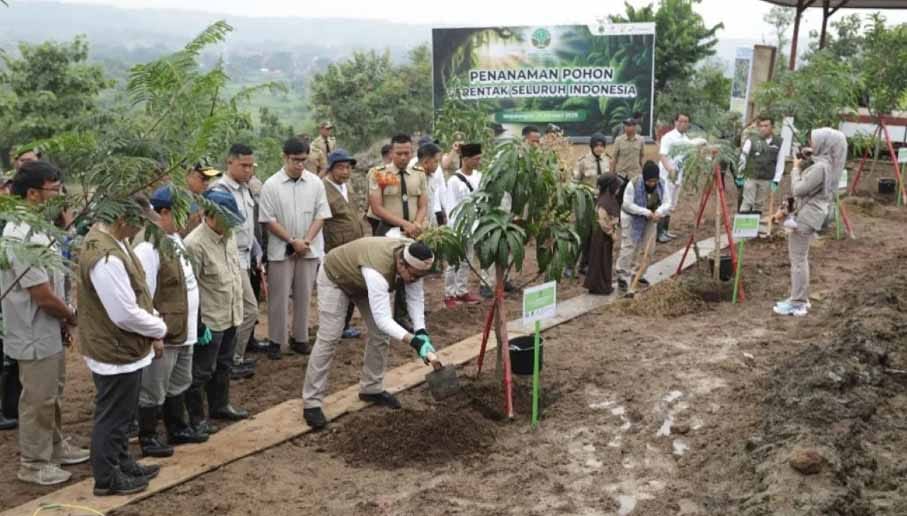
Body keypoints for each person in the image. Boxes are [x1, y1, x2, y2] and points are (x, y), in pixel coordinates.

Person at [0, 161, 89, 486]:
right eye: (54, 190)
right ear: (34, 193)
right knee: (37, 399)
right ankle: (34, 463)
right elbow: (41, 295)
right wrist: (70, 315)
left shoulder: (38, 227)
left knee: (52, 393)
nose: (60, 195)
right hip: (32, 330)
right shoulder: (21, 234)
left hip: (47, 328)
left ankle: (54, 447)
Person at [77, 193, 166, 496]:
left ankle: (121, 461)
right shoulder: (106, 258)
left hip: (122, 346)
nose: (141, 228)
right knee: (113, 415)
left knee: (123, 413)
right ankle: (106, 478)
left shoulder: (116, 242)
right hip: (114, 348)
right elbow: (123, 313)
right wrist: (159, 327)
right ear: (121, 218)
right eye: (138, 222)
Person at [301, 238, 437, 430]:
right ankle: (312, 403)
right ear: (400, 263)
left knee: (380, 335)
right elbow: (383, 319)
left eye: (419, 277)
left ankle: (371, 388)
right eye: (413, 276)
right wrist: (414, 341)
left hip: (361, 280)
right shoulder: (378, 271)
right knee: (329, 338)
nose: (415, 280)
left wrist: (421, 331)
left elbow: (415, 298)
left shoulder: (413, 259)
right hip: (336, 277)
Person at [133, 186, 208, 459]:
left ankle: (177, 427)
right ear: (163, 213)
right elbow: (144, 296)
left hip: (183, 329)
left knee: (179, 382)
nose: (189, 218)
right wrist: (155, 335)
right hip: (165, 331)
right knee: (153, 388)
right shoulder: (148, 246)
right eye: (181, 213)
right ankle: (149, 437)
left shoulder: (174, 238)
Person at [184, 190, 250, 437]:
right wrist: (199, 324)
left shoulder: (229, 235)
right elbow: (190, 287)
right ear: (209, 215)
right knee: (201, 371)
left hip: (231, 312)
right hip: (210, 319)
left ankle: (220, 406)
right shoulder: (194, 244)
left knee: (224, 364)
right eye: (226, 219)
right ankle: (196, 418)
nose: (231, 224)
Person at [260, 138, 331, 359]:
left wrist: (306, 241)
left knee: (304, 294)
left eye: (303, 160)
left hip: (308, 248)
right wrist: (292, 241)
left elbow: (321, 215)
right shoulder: (271, 184)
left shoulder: (315, 183)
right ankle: (276, 340)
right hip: (281, 248)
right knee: (279, 297)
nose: (300, 165)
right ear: (285, 157)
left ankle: (300, 337)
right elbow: (268, 220)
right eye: (295, 160)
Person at [772, 128, 846, 317]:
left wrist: (796, 168)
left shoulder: (821, 168)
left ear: (824, 144)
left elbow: (798, 189)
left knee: (798, 260)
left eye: (814, 141)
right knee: (800, 258)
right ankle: (799, 298)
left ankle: (798, 302)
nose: (811, 144)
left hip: (806, 218)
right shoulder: (826, 163)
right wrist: (807, 158)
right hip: (811, 215)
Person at [209, 144, 263, 377]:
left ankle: (231, 360)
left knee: (242, 311)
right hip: (230, 258)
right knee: (247, 310)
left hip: (245, 255)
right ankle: (231, 361)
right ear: (229, 163)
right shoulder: (220, 190)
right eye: (244, 165)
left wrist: (256, 250)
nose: (248, 170)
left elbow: (248, 226)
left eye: (251, 166)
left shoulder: (245, 188)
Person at [322, 149, 369, 339]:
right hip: (336, 247)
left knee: (352, 286)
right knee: (338, 290)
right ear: (331, 169)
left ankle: (344, 325)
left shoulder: (346, 187)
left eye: (348, 168)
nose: (345, 172)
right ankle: (334, 327)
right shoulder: (323, 189)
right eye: (341, 168)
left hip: (353, 245)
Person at [617, 161, 671, 292]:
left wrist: (659, 212)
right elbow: (628, 204)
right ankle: (623, 276)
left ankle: (639, 273)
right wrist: (646, 212)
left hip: (652, 217)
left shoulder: (662, 184)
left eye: (654, 181)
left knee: (649, 249)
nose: (652, 184)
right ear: (644, 178)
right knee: (629, 246)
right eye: (649, 181)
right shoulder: (633, 184)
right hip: (631, 216)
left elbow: (667, 202)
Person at [444, 143, 486, 307]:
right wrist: (454, 229)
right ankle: (449, 294)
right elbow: (451, 206)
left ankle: (461, 291)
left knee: (467, 260)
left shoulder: (479, 176)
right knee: (454, 261)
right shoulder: (454, 180)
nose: (478, 161)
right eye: (476, 159)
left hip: (474, 225)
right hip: (459, 227)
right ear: (466, 159)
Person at [368, 134, 428, 238]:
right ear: (391, 153)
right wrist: (405, 225)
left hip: (414, 231)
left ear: (412, 152)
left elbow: (423, 205)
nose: (403, 157)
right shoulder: (379, 174)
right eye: (399, 154)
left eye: (406, 153)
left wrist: (416, 225)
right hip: (388, 231)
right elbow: (376, 208)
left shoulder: (419, 173)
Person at [736, 116, 783, 214]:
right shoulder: (751, 140)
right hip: (751, 176)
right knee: (747, 202)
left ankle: (753, 227)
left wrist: (776, 180)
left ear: (772, 127)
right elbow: (743, 158)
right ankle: (743, 227)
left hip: (766, 178)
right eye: (761, 126)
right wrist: (740, 176)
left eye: (766, 126)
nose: (763, 128)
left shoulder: (778, 142)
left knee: (759, 204)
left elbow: (780, 162)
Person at [584, 174, 621, 296]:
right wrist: (612, 233)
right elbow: (603, 221)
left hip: (605, 235)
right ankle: (599, 287)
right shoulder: (604, 202)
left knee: (604, 259)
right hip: (601, 235)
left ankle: (603, 285)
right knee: (599, 260)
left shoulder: (609, 198)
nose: (618, 189)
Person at [658, 112, 691, 243]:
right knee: (665, 203)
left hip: (678, 176)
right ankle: (659, 233)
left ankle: (665, 230)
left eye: (686, 122)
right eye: (681, 121)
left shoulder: (685, 139)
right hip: (667, 176)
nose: (684, 124)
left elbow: (693, 148)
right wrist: (670, 169)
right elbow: (663, 155)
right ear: (675, 122)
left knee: (672, 204)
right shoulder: (668, 137)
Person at [412, 142, 447, 227]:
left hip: (429, 223)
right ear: (425, 163)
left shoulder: (431, 178)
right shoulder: (413, 179)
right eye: (436, 161)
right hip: (417, 225)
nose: (438, 165)